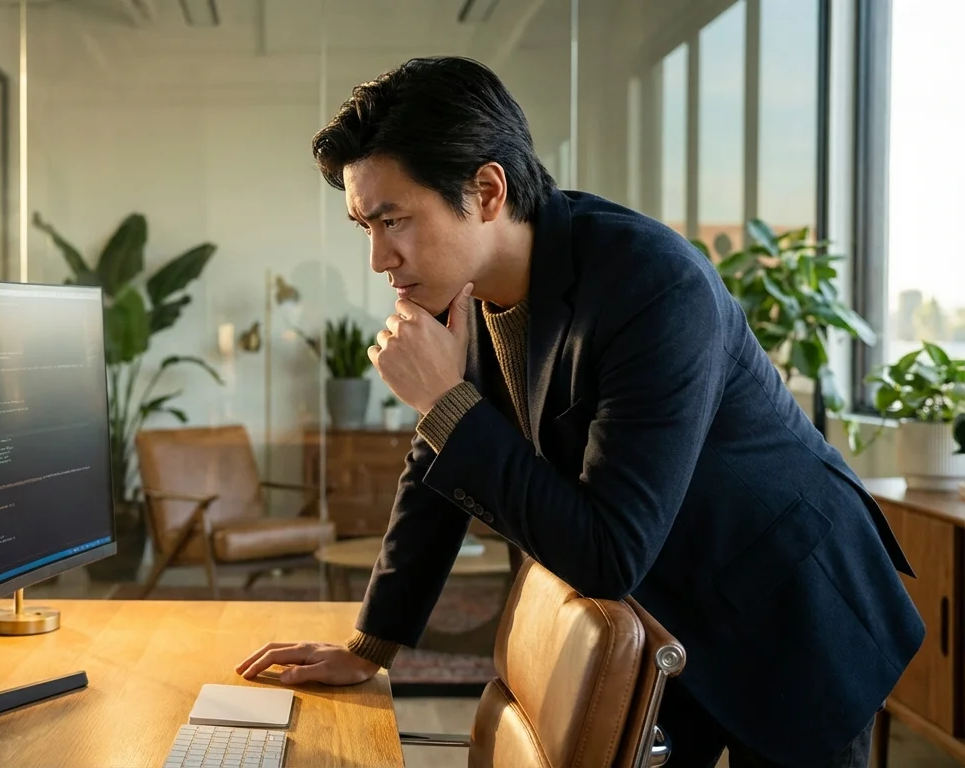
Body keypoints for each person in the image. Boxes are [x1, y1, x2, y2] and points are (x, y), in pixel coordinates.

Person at [234, 56, 924, 767]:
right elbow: (436, 465)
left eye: (394, 219)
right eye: (363, 226)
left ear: (488, 191)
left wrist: (444, 400)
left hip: (788, 609)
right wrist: (370, 647)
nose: (379, 257)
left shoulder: (651, 285)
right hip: (667, 615)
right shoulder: (462, 294)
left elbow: (607, 553)